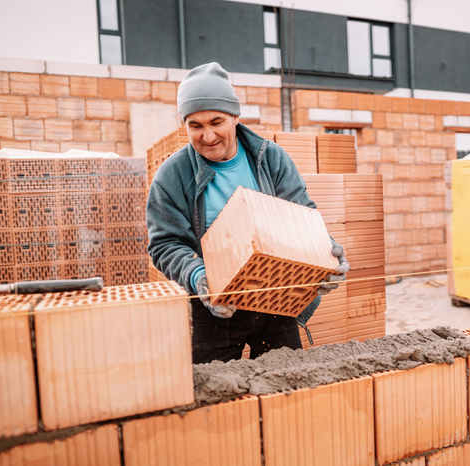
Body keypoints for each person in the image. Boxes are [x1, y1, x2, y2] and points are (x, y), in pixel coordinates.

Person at [147, 62, 349, 364]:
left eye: (216, 121)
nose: (208, 135)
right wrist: (199, 276)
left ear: (235, 117)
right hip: (214, 308)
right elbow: (164, 244)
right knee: (214, 397)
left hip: (275, 299)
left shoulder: (270, 159)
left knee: (285, 388)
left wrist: (324, 253)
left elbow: (301, 215)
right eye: (196, 125)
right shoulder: (172, 176)